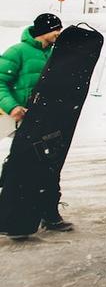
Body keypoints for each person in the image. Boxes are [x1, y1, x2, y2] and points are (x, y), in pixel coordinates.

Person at [0, 13, 72, 232]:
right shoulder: (18, 52)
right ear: (44, 30)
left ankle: (49, 213)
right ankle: (12, 215)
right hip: (24, 122)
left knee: (50, 167)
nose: (59, 34)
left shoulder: (54, 54)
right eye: (55, 30)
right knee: (21, 167)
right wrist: (12, 107)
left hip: (47, 121)